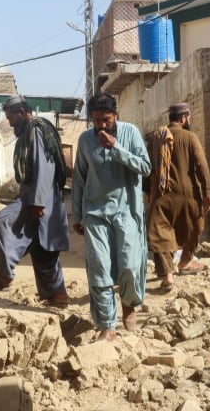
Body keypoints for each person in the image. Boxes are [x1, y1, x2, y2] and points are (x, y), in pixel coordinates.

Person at [72, 92, 151, 342]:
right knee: (99, 268)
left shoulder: (130, 133)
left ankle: (129, 305)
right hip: (95, 213)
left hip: (126, 211)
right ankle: (107, 324)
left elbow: (145, 167)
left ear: (115, 115)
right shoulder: (85, 140)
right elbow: (79, 180)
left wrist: (115, 147)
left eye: (106, 120)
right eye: (96, 121)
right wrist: (77, 214)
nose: (101, 126)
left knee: (128, 265)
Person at [0, 94, 70, 307]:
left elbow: (44, 166)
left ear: (21, 113)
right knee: (41, 248)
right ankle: (58, 297)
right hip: (35, 195)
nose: (10, 123)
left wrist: (38, 202)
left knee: (2, 223)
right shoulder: (30, 131)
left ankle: (5, 275)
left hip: (41, 197)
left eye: (11, 118)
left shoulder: (36, 129)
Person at [146, 102, 210, 291]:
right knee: (195, 226)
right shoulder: (190, 137)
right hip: (188, 194)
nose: (189, 120)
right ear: (183, 118)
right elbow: (202, 166)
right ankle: (185, 262)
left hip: (161, 194)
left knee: (158, 232)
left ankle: (168, 274)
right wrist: (207, 193)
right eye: (189, 117)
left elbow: (147, 167)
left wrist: (148, 192)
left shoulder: (156, 138)